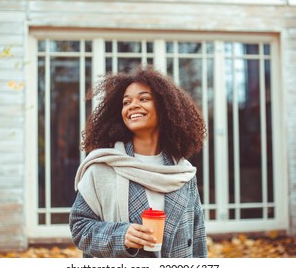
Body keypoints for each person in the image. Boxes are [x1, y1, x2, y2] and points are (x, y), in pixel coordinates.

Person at [69, 64, 207, 258]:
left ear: (165, 107)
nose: (132, 106)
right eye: (126, 102)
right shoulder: (103, 167)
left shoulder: (182, 173)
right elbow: (79, 227)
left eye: (144, 99)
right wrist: (120, 235)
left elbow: (197, 237)